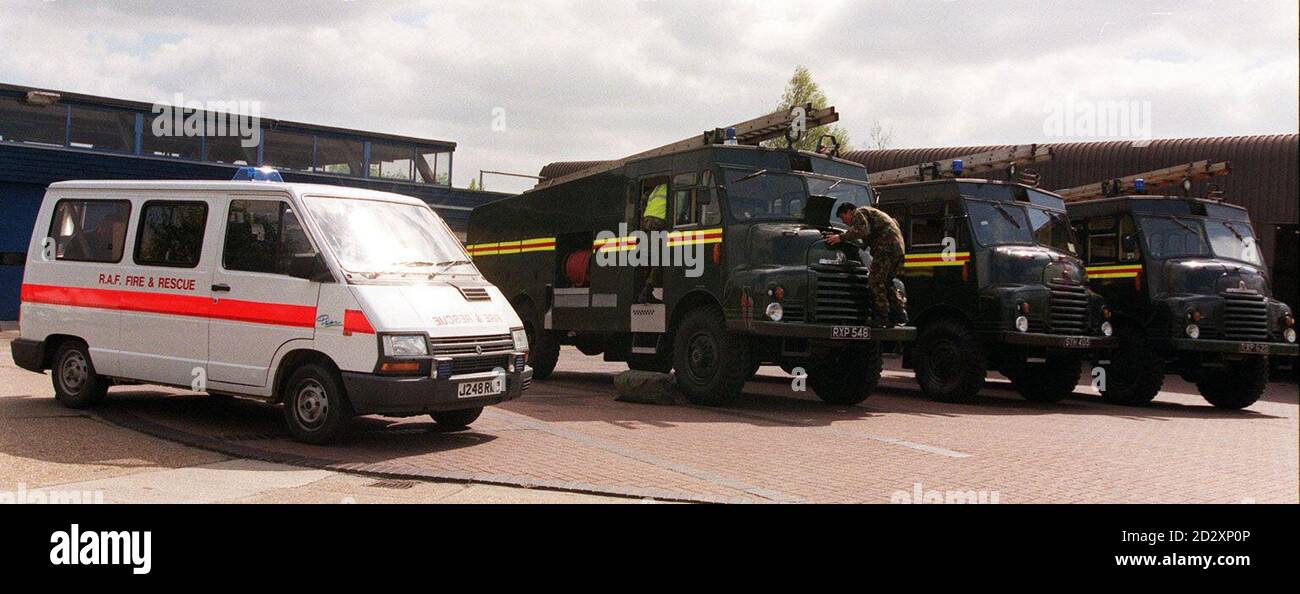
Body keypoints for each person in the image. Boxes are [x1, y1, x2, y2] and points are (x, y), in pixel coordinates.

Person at [826, 202, 906, 327]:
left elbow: (861, 231)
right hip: (897, 250)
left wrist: (841, 237)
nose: (845, 223)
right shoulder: (872, 215)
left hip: (886, 249)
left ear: (848, 211)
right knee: (887, 282)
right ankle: (898, 315)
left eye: (843, 218)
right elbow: (864, 241)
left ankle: (881, 317)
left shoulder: (859, 212)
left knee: (874, 281)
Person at [638, 182, 669, 303]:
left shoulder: (657, 187)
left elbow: (644, 197)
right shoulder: (677, 183)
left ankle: (645, 291)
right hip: (659, 222)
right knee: (661, 260)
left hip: (647, 223)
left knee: (650, 259)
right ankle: (646, 291)